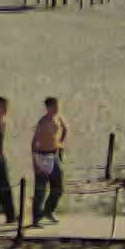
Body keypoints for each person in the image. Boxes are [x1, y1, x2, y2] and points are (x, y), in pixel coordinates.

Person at [30, 96, 69, 226]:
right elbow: (34, 143)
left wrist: (61, 142)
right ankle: (35, 218)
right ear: (48, 107)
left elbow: (65, 128)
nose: (57, 109)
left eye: (58, 106)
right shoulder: (43, 122)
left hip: (55, 155)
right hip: (42, 156)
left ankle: (48, 210)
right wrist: (35, 163)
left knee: (58, 187)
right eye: (54, 107)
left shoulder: (58, 118)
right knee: (40, 189)